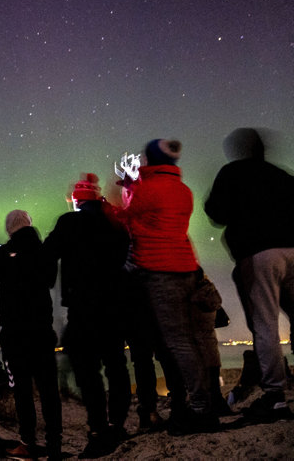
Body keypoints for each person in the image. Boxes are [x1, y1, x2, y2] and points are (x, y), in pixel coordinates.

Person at [106, 139, 222, 434]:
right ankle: (204, 404)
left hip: (160, 271)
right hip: (186, 267)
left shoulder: (149, 189)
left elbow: (123, 216)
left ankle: (199, 410)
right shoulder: (183, 190)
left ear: (153, 161)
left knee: (178, 342)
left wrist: (106, 201)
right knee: (188, 340)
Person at [205, 127, 294, 421]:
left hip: (259, 255)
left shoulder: (232, 173)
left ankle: (275, 398)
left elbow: (216, 212)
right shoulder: (281, 176)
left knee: (264, 325)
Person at [43, 173, 131, 457]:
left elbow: (48, 254)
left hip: (83, 307)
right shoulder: (116, 224)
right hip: (116, 306)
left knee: (87, 370)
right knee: (116, 365)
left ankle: (98, 429)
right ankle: (117, 423)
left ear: (77, 200)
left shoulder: (69, 222)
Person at [0, 210, 62, 460]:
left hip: (15, 335)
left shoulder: (3, 253)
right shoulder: (42, 250)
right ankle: (54, 446)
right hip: (42, 332)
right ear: (29, 225)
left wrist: (2, 256)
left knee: (22, 392)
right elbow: (49, 280)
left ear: (9, 228)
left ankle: (27, 443)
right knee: (49, 391)